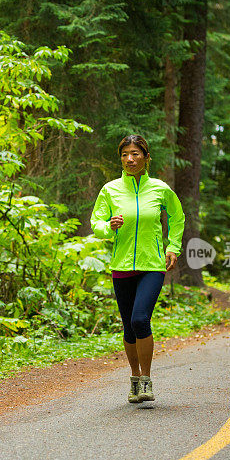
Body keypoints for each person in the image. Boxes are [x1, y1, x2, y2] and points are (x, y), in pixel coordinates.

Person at [90, 135, 185, 403]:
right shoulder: (110, 190)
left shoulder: (159, 188)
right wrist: (108, 227)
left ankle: (146, 379)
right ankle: (134, 379)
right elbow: (95, 222)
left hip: (152, 265)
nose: (129, 159)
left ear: (146, 156)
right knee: (128, 327)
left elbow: (177, 217)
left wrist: (173, 247)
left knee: (140, 319)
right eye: (124, 155)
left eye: (135, 154)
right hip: (121, 266)